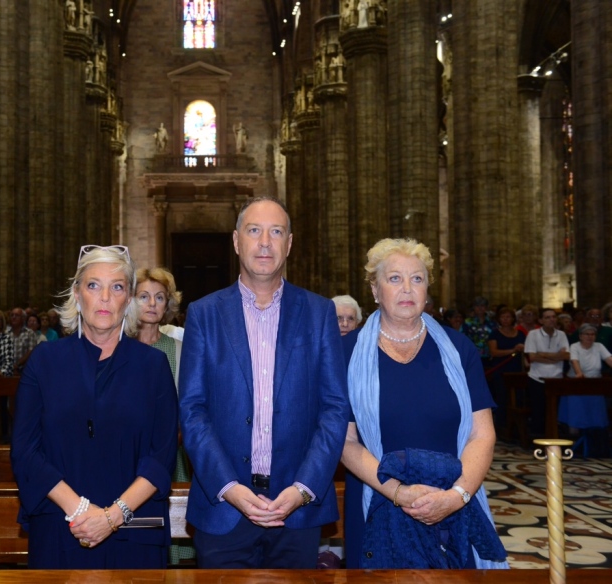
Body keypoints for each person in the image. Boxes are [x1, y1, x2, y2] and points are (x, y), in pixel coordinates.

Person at [179, 197, 349, 568]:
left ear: (289, 244)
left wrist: (303, 488)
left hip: (296, 509)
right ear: (237, 241)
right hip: (224, 507)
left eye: (276, 232)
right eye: (254, 230)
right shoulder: (204, 313)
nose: (265, 242)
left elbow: (334, 409)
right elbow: (192, 410)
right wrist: (229, 487)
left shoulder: (319, 312)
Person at [341, 238, 507, 569]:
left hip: (452, 504)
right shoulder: (345, 352)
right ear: (375, 290)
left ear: (427, 289)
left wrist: (456, 496)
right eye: (394, 278)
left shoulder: (459, 349)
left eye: (417, 279)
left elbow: (482, 434)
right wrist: (398, 493)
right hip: (378, 498)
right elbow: (344, 440)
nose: (407, 288)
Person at [11, 245, 178, 569]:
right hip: (61, 526)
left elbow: (162, 456)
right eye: (93, 285)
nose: (104, 297)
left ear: (128, 299)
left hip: (134, 529)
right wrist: (79, 510)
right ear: (77, 294)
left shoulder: (153, 365)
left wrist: (112, 516)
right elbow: (25, 451)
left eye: (117, 287)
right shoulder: (45, 361)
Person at [133, 266, 193, 565]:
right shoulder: (119, 346)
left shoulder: (180, 348)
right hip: (128, 454)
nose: (152, 303)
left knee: (173, 545)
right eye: (144, 296)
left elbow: (191, 404)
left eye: (159, 297)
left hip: (173, 453)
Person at [558, 323, 612, 456]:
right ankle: (576, 444)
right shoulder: (575, 346)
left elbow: (609, 359)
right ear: (581, 336)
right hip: (577, 385)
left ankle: (595, 445)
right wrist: (579, 374)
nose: (590, 337)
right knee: (577, 416)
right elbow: (574, 361)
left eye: (593, 334)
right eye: (587, 334)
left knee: (596, 416)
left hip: (595, 385)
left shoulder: (599, 346)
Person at [524, 308, 569, 437]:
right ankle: (537, 439)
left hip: (556, 379)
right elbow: (532, 357)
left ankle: (554, 437)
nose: (551, 320)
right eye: (547, 317)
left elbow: (566, 356)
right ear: (541, 320)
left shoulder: (561, 334)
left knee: (554, 411)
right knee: (538, 411)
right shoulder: (533, 334)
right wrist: (556, 356)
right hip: (537, 378)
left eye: (553, 317)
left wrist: (543, 354)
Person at [486, 307, 526, 431]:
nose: (505, 319)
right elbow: (494, 352)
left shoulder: (520, 334)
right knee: (502, 397)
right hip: (501, 369)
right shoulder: (495, 334)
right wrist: (513, 350)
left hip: (516, 370)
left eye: (508, 317)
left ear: (513, 318)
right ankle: (501, 425)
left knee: (518, 398)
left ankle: (516, 427)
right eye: (503, 317)